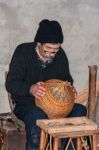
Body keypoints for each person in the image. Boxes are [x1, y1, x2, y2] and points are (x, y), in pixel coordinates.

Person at [5, 19, 87, 150]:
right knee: (37, 116)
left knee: (80, 110)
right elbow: (11, 84)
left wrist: (69, 88)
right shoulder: (23, 52)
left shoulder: (60, 55)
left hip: (55, 108)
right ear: (38, 43)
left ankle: (67, 147)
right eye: (47, 49)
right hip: (26, 104)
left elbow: (67, 79)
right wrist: (31, 88)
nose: (51, 54)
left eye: (55, 50)